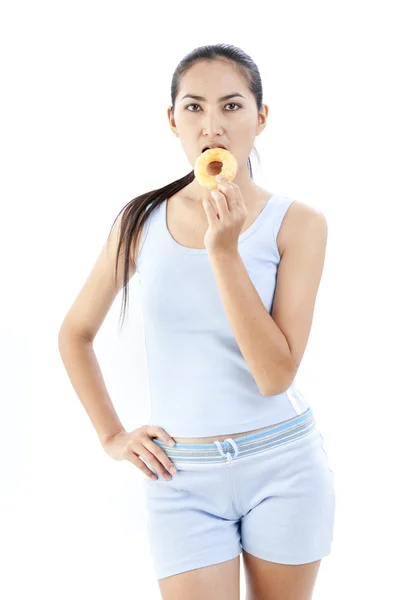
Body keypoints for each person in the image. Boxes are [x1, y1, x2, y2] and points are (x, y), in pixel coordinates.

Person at [58, 43, 335, 600]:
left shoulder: (298, 224)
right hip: (180, 478)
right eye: (194, 107)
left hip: (284, 466)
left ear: (261, 118)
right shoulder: (141, 222)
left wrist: (224, 251)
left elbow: (274, 377)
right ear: (172, 120)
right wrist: (112, 435)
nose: (213, 125)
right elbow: (75, 333)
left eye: (232, 107)